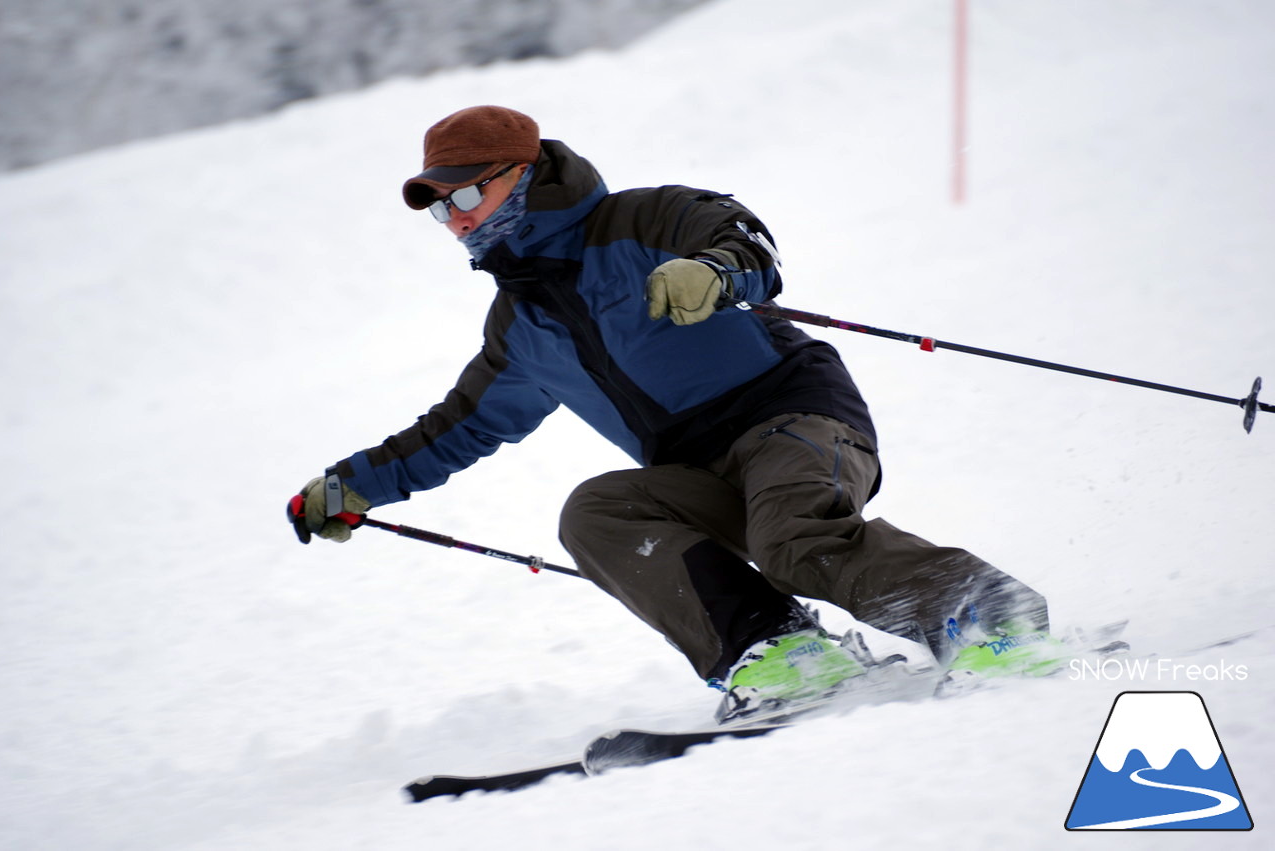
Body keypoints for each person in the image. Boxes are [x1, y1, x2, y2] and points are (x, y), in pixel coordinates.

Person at [289, 105, 1062, 720]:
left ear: (520, 175)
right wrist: (353, 485)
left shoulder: (638, 220)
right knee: (595, 511)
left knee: (791, 540)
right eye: (439, 207)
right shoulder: (519, 326)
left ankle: (988, 614)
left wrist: (714, 271)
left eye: (464, 194)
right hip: (690, 468)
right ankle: (783, 653)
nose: (455, 218)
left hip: (790, 416)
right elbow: (458, 428)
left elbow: (742, 236)